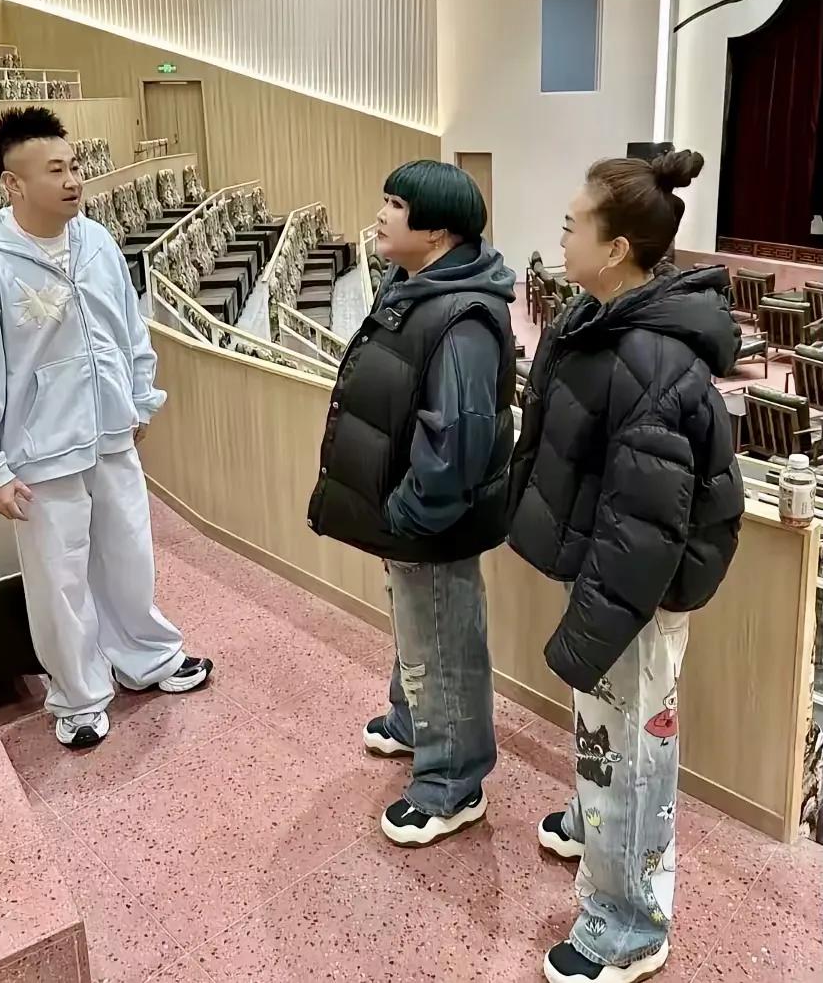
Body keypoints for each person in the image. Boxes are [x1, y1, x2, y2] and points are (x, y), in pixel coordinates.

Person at [508, 150, 744, 983]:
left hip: (632, 590)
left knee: (629, 758)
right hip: (609, 572)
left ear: (614, 249)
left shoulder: (648, 358)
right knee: (606, 737)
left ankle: (628, 928)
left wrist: (596, 621)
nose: (561, 236)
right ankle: (595, 823)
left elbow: (643, 526)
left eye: (572, 224)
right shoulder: (596, 318)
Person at [0, 107, 213, 749]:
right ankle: (79, 694)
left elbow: (129, 328)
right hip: (39, 453)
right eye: (55, 171)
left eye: (74, 166)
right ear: (13, 184)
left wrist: (139, 400)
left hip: (110, 433)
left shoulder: (96, 242)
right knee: (59, 580)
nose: (72, 181)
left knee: (129, 554)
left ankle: (147, 658)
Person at [307, 160, 517, 847]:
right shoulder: (415, 284)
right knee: (417, 628)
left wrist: (409, 517)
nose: (380, 214)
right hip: (408, 514)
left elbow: (457, 441)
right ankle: (411, 723)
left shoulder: (463, 316)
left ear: (437, 231)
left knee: (445, 645)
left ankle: (452, 785)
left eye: (395, 204)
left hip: (433, 520)